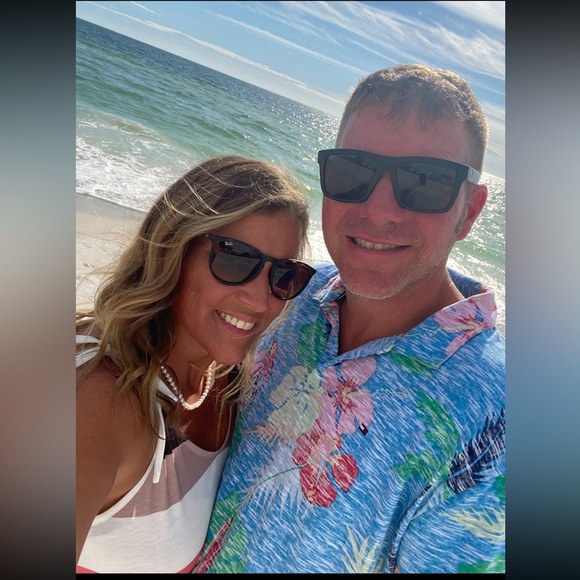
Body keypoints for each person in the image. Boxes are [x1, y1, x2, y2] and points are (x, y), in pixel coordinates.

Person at [196, 65, 505, 574]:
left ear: (469, 212)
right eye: (353, 171)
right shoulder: (290, 291)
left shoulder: (497, 420)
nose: (379, 210)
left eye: (425, 182)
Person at [75, 155, 316, 573]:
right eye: (235, 258)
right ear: (174, 248)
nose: (260, 301)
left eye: (283, 275)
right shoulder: (98, 398)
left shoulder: (230, 377)